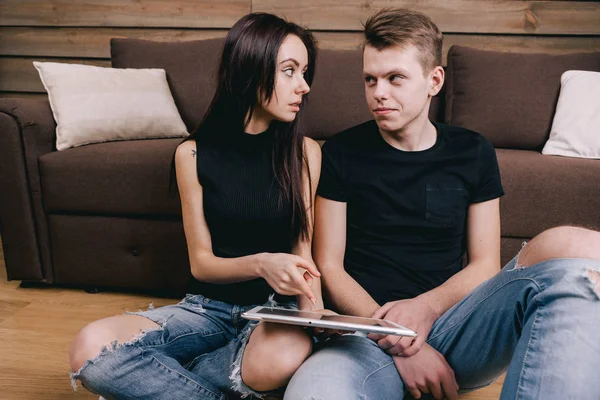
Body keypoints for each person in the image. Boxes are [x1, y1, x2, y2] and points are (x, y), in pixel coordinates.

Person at [284, 8, 600, 400]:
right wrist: (398, 339)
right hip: (364, 334)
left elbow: (484, 263)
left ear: (434, 80)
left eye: (395, 78)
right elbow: (329, 264)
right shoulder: (342, 153)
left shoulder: (473, 151)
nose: (378, 92)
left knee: (573, 278)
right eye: (370, 79)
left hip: (456, 326)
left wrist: (426, 308)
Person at [68, 12, 325, 399]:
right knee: (89, 348)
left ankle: (162, 382)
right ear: (250, 69)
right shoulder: (191, 154)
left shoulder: (305, 153)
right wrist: (261, 263)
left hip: (275, 317)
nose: (303, 86)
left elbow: (303, 255)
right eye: (289, 71)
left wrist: (316, 318)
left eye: (305, 72)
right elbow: (201, 263)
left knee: (287, 354)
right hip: (206, 311)